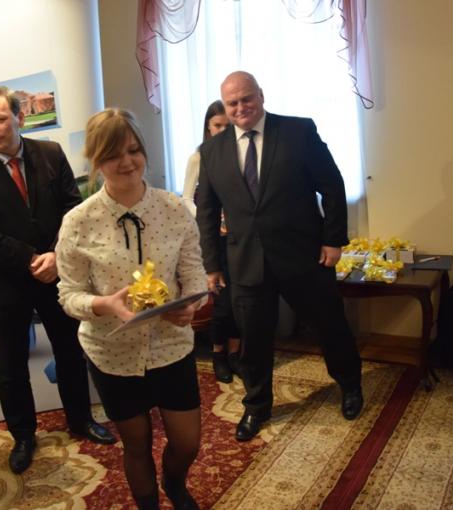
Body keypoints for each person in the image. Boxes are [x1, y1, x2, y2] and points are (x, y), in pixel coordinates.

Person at [0, 87, 115, 475]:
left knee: (70, 352)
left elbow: (72, 211)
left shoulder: (51, 153)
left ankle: (81, 420)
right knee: (12, 367)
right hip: (8, 284)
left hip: (57, 276)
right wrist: (31, 259)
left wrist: (57, 256)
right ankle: (24, 436)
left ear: (19, 118)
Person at [196, 71, 363, 442]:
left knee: (330, 326)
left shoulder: (298, 131)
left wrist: (333, 240)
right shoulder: (211, 152)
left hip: (304, 256)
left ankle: (350, 385)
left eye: (246, 98)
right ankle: (256, 406)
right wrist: (211, 265)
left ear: (261, 95)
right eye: (232, 103)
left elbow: (331, 184)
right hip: (245, 263)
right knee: (253, 341)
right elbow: (206, 213)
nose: (240, 107)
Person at [55, 109, 207, 510]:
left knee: (187, 442)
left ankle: (174, 484)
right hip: (112, 354)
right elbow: (68, 295)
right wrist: (102, 304)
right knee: (136, 444)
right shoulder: (77, 222)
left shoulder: (174, 210)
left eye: (134, 150)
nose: (126, 162)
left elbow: (195, 275)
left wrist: (192, 305)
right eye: (112, 155)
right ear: (96, 161)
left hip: (171, 347)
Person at [182, 100, 241, 383]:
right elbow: (186, 198)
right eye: (218, 125)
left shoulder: (242, 152)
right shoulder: (199, 157)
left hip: (240, 238)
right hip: (213, 239)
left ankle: (236, 353)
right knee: (222, 301)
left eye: (227, 125)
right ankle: (219, 354)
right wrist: (210, 218)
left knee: (240, 299)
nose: (223, 131)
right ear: (208, 127)